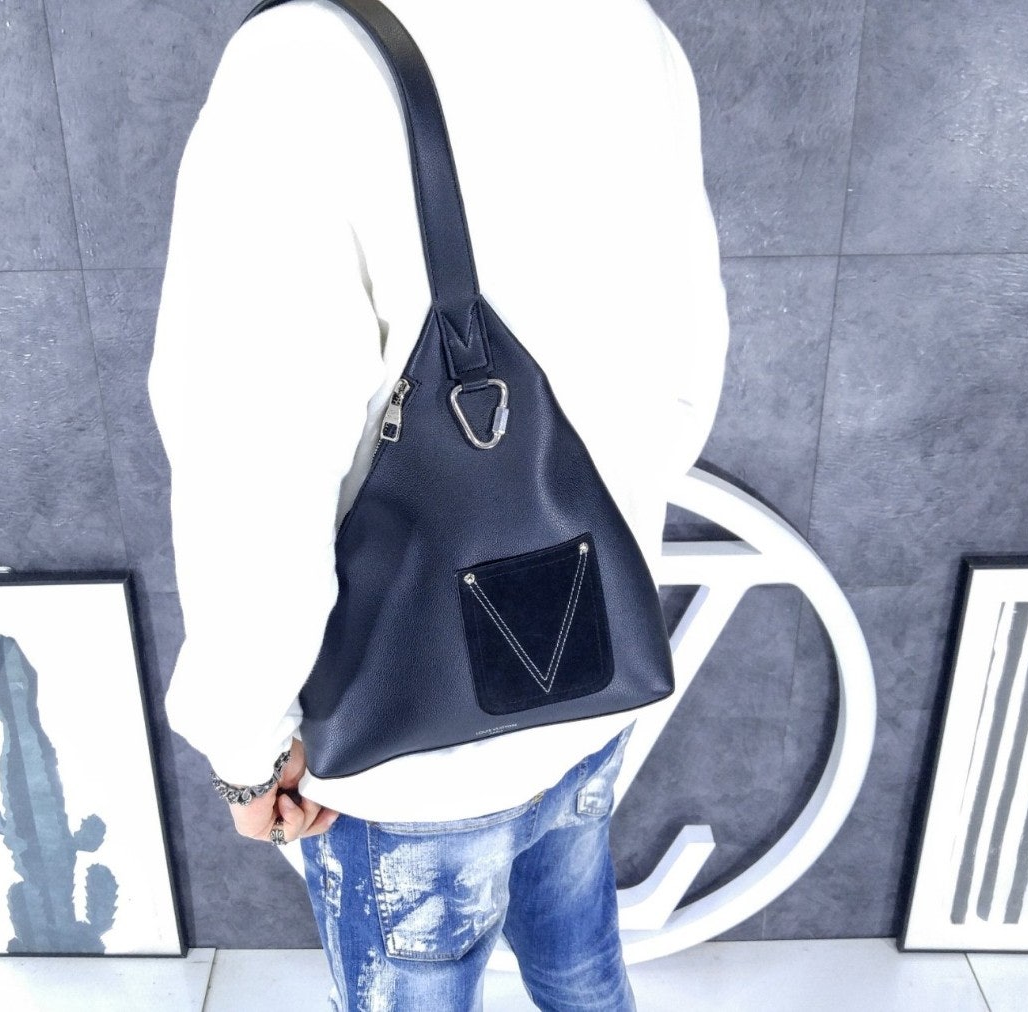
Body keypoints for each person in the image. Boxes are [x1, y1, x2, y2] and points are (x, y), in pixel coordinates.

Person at [148, 0, 729, 1007]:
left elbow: (254, 462)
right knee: (583, 969)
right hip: (590, 669)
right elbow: (686, 369)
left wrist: (245, 749)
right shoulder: (623, 24)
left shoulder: (298, 66)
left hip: (411, 751)